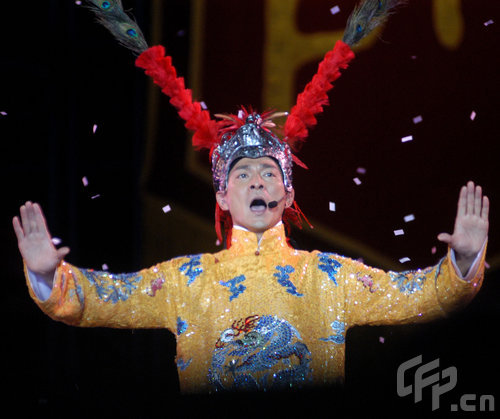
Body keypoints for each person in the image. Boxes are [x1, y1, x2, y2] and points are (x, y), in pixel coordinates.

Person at [12, 0, 490, 395]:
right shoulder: (186, 281)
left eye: (268, 172)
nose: (258, 181)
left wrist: (462, 262)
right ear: (221, 195)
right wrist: (47, 274)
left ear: (288, 192)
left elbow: (423, 298)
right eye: (243, 174)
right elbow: (100, 300)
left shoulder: (329, 278)